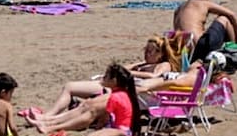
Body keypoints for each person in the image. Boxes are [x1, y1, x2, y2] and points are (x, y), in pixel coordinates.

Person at [35, 36, 180, 118]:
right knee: (70, 87)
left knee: (71, 88)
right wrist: (137, 65)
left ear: (160, 54)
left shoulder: (164, 64)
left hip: (125, 91)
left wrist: (131, 73)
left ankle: (50, 117)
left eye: (150, 51)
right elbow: (122, 68)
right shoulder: (143, 64)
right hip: (115, 87)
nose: (146, 54)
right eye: (145, 50)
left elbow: (154, 76)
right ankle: (51, 115)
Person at [25, 64, 141, 136]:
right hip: (121, 128)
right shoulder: (120, 93)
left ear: (114, 81)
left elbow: (105, 117)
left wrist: (99, 127)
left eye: (106, 76)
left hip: (121, 130)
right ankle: (47, 122)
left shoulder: (115, 96)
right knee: (88, 107)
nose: (103, 77)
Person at [173, 0, 237, 63]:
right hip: (201, 45)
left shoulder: (179, 8)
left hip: (185, 51)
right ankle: (234, 48)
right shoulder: (203, 3)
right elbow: (232, 15)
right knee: (224, 18)